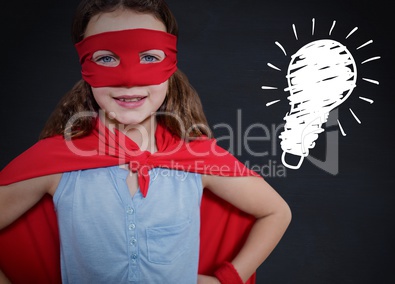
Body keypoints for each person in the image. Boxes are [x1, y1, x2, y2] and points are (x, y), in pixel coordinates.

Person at [0, 0, 291, 283]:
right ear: (84, 66)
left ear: (171, 65)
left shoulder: (196, 158)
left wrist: (227, 279)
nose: (129, 79)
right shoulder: (54, 161)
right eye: (106, 58)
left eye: (149, 57)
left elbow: (276, 211)